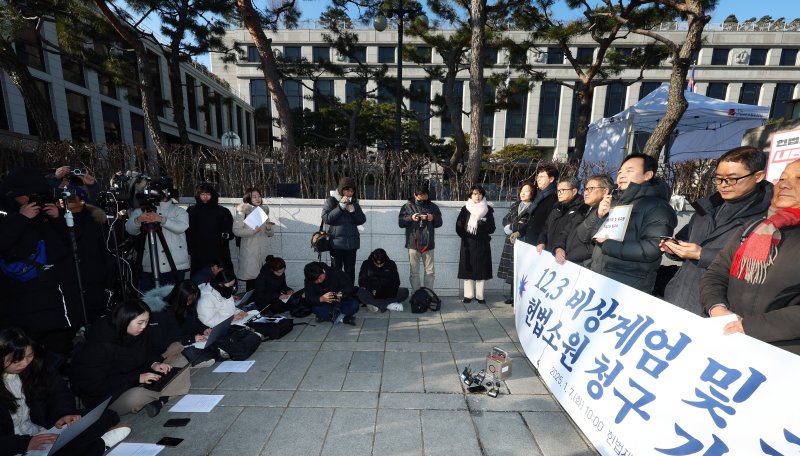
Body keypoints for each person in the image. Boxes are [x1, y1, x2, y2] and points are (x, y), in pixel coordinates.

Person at [700, 159, 800, 354]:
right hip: (728, 338)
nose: (785, 184)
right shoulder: (754, 228)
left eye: (799, 178)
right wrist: (717, 308)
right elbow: (716, 273)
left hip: (782, 355)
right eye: (782, 178)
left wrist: (749, 327)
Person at [661, 146, 772, 314]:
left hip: (719, 306)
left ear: (758, 176)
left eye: (732, 179)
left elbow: (758, 263)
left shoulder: (768, 216)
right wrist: (674, 248)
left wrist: (701, 254)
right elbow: (685, 238)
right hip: (678, 296)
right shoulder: (707, 206)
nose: (723, 185)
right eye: (719, 178)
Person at [0, 328, 130, 456]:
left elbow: (58, 392)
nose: (25, 363)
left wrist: (63, 414)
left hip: (41, 429)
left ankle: (86, 445)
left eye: (29, 355)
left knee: (104, 416)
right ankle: (101, 444)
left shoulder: (35, 365)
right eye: (16, 360)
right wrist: (25, 444)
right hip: (15, 445)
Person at [0, 168, 83, 356]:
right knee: (32, 353)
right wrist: (21, 219)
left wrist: (58, 218)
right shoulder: (7, 214)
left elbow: (72, 243)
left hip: (58, 298)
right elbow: (6, 247)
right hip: (25, 300)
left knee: (59, 348)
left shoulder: (46, 214)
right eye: (28, 195)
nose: (33, 198)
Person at [69, 300, 190, 417]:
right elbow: (94, 387)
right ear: (125, 321)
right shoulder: (98, 346)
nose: (144, 326)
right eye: (140, 322)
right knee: (136, 397)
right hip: (111, 395)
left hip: (140, 376)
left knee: (178, 353)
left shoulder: (141, 332)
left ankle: (160, 398)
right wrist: (137, 378)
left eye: (147, 321)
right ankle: (162, 394)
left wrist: (154, 363)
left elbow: (149, 352)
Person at [584, 153, 677, 293]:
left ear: (648, 175)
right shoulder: (613, 202)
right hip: (599, 278)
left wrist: (607, 244)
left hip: (627, 286)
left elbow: (653, 248)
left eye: (629, 171)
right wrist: (598, 215)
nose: (621, 175)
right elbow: (584, 236)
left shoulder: (658, 207)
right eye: (620, 171)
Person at [60, 184, 115, 323]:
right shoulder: (57, 220)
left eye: (71, 197)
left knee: (95, 314)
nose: (66, 200)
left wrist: (110, 280)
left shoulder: (95, 221)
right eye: (63, 196)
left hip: (93, 276)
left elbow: (106, 252)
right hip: (69, 278)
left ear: (82, 200)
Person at [125, 178, 190, 292]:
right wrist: (139, 220)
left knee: (173, 302)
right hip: (150, 265)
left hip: (175, 265)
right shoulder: (141, 211)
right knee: (150, 302)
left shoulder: (179, 211)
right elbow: (130, 229)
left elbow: (181, 227)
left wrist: (161, 219)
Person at [143, 280, 214, 368]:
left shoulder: (186, 306)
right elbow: (165, 339)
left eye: (193, 299)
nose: (191, 302)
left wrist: (204, 329)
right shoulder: (162, 312)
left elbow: (194, 321)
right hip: (172, 347)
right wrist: (190, 339)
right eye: (189, 300)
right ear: (180, 297)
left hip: (187, 342)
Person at [322, 177, 366, 287]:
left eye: (352, 190)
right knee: (336, 271)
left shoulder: (354, 203)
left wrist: (353, 211)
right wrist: (340, 207)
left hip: (352, 244)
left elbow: (362, 220)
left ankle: (349, 294)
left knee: (350, 271)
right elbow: (326, 218)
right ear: (341, 189)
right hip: (336, 244)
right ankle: (336, 293)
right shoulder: (331, 201)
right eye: (347, 190)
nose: (349, 193)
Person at [455, 185, 496, 304]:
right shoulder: (465, 208)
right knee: (467, 269)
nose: (477, 196)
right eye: (474, 194)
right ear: (470, 195)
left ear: (483, 195)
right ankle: (468, 295)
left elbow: (492, 228)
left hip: (482, 243)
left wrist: (482, 224)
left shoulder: (487, 209)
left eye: (479, 194)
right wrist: (465, 237)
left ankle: (480, 296)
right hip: (468, 244)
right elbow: (458, 226)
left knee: (481, 270)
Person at [398, 185, 443, 292]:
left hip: (429, 244)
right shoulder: (407, 206)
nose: (422, 197)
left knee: (430, 272)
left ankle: (428, 294)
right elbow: (401, 223)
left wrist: (432, 218)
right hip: (413, 244)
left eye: (425, 195)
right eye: (420, 195)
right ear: (415, 195)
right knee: (414, 273)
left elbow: (439, 223)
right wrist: (411, 218)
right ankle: (417, 295)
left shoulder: (433, 207)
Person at [497, 182, 536, 304]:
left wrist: (513, 226)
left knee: (521, 270)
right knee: (512, 269)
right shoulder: (515, 205)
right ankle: (512, 296)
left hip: (523, 241)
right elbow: (505, 219)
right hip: (511, 241)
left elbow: (528, 225)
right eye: (521, 191)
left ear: (532, 193)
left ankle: (520, 298)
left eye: (527, 191)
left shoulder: (534, 207)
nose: (523, 193)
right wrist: (508, 227)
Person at [186, 183, 234, 275]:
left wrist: (226, 234)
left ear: (212, 195)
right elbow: (187, 232)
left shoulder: (222, 211)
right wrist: (190, 249)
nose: (205, 197)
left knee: (221, 279)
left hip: (218, 252)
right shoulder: (191, 211)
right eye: (202, 194)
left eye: (208, 194)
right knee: (199, 280)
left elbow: (230, 230)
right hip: (198, 253)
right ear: (198, 196)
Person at [537, 176, 589, 260]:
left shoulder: (582, 209)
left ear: (574, 191)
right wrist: (541, 242)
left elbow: (572, 235)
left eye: (563, 190)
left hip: (564, 258)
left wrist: (560, 248)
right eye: (558, 190)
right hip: (548, 255)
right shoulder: (556, 207)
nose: (559, 193)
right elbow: (545, 228)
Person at [233, 188, 275, 291]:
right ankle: (250, 305)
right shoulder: (243, 210)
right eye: (254, 196)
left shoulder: (263, 210)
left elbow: (270, 233)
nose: (258, 199)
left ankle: (262, 305)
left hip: (264, 251)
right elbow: (236, 230)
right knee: (251, 282)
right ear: (248, 197)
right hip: (250, 251)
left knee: (265, 280)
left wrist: (268, 229)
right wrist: (252, 232)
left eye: (259, 196)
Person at [567, 174, 613, 266]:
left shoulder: (611, 213)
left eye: (591, 189)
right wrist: (559, 247)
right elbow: (567, 231)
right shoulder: (582, 209)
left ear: (605, 191)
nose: (586, 193)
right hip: (568, 261)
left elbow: (586, 239)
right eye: (586, 189)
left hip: (584, 267)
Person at [521, 165, 559, 245]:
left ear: (551, 179)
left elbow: (550, 224)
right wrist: (520, 232)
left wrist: (542, 241)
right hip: (530, 241)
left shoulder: (554, 198)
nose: (538, 179)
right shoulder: (539, 196)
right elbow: (533, 220)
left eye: (541, 177)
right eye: (537, 176)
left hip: (540, 245)